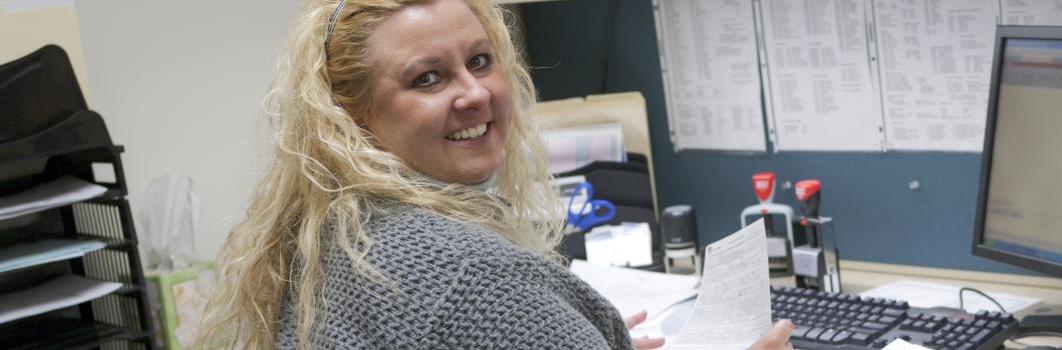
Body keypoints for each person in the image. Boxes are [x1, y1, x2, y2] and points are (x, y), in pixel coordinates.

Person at [201, 0, 795, 348]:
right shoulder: (461, 269)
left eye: (480, 62)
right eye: (427, 78)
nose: (475, 94)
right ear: (350, 116)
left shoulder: (336, 237)